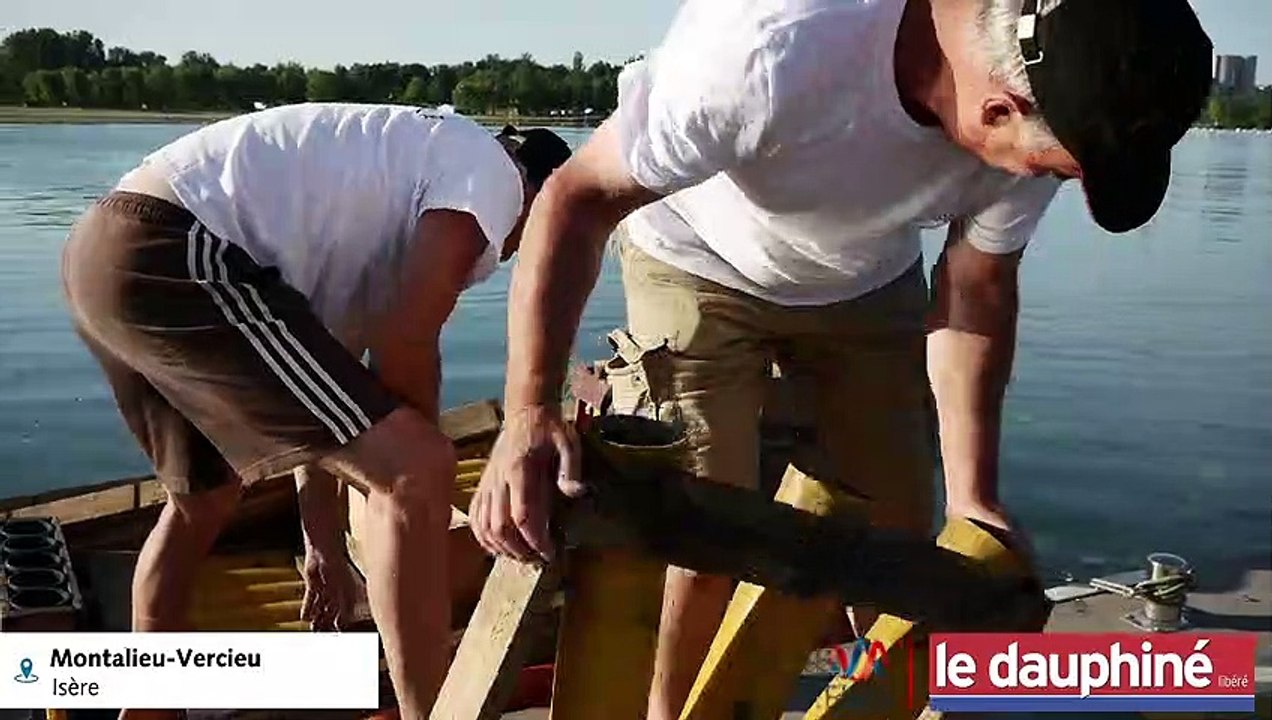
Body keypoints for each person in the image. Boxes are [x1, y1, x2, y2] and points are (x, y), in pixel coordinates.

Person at [469, 0, 1212, 717]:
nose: (1048, 182)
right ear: (997, 109)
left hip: (864, 274)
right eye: (1052, 171)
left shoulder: (1048, 108)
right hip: (695, 255)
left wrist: (973, 497)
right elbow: (577, 197)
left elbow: (976, 291)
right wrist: (529, 413)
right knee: (701, 535)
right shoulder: (768, 47)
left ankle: (875, 704)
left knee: (904, 547)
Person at [60, 103, 570, 719]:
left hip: (105, 252)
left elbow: (326, 413)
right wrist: (417, 483)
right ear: (541, 195)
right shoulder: (493, 175)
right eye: (539, 237)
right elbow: (406, 340)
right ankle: (427, 712)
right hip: (178, 248)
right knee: (418, 465)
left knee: (203, 498)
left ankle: (148, 712)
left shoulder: (392, 191)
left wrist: (323, 543)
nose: (512, 253)